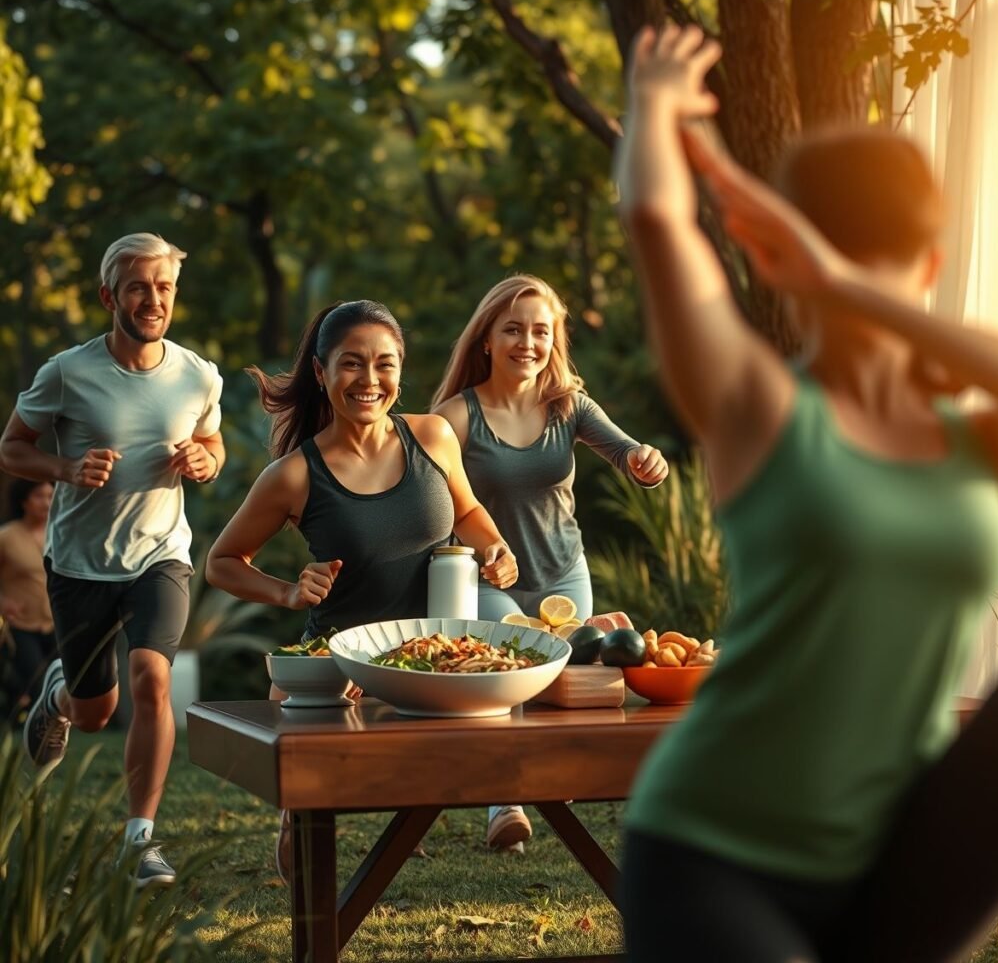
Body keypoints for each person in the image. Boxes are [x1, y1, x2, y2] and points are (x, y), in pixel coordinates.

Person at [616, 23, 998, 963]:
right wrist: (656, 108)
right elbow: (655, 221)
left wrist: (844, 284)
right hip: (712, 856)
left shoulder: (978, 440)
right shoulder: (763, 408)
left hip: (902, 857)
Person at [205, 299, 519, 878]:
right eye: (351, 364)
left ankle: (470, 809)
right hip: (338, 671)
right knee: (308, 851)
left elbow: (468, 510)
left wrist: (496, 547)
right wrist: (288, 593)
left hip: (435, 662)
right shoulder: (295, 475)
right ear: (321, 374)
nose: (369, 380)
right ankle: (297, 822)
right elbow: (222, 562)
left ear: (400, 369)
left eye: (385, 364)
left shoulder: (433, 436)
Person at [0, 233, 224, 888]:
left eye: (164, 287)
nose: (153, 299)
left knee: (153, 680)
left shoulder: (197, 373)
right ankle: (60, 696)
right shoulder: (67, 372)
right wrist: (65, 467)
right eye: (138, 287)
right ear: (110, 296)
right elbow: (12, 448)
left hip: (161, 554)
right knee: (95, 710)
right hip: (79, 563)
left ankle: (140, 841)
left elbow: (210, 438)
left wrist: (208, 460)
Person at [432, 274, 668, 853]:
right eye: (513, 329)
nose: (527, 342)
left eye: (541, 330)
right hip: (490, 579)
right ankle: (504, 803)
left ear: (554, 339)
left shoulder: (569, 407)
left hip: (564, 574)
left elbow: (626, 451)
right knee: (507, 678)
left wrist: (645, 460)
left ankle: (544, 780)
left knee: (556, 686)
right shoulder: (456, 417)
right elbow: (422, 500)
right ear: (486, 338)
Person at [0, 479, 56, 717]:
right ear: (24, 501)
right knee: (38, 682)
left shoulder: (60, 532)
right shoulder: (6, 537)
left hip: (57, 624)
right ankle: (34, 732)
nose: (46, 502)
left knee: (59, 681)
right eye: (39, 496)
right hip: (21, 625)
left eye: (50, 496)